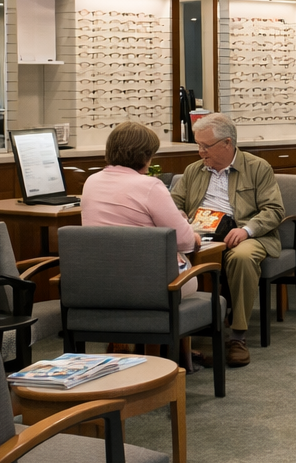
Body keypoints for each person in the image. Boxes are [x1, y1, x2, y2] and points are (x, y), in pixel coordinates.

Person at [81, 122, 206, 369]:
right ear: (145, 156)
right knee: (191, 271)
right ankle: (176, 358)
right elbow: (184, 241)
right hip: (152, 286)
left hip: (100, 283)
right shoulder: (149, 186)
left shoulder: (91, 182)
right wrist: (192, 233)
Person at [169, 113, 285, 368]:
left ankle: (238, 336)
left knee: (242, 258)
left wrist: (247, 230)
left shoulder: (257, 168)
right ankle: (183, 333)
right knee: (169, 256)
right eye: (198, 145)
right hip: (200, 236)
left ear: (227, 143)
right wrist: (177, 214)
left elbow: (274, 210)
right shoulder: (193, 171)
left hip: (244, 235)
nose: (200, 152)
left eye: (205, 146)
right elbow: (174, 202)